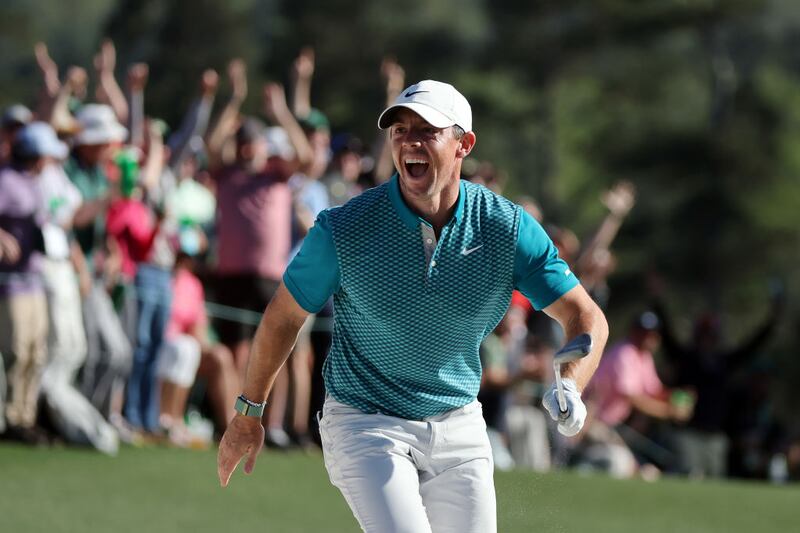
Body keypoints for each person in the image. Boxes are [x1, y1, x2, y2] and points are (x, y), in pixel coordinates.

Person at [217, 80, 608, 532]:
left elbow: (586, 316)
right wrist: (248, 412)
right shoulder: (344, 229)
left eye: (428, 130)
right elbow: (283, 316)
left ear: (464, 144)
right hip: (365, 422)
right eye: (400, 130)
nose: (410, 141)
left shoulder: (507, 229)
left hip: (459, 422)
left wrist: (572, 383)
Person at [0, 122, 62, 444]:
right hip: (11, 283)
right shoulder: (6, 181)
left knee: (36, 352)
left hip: (35, 278)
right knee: (17, 350)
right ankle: (11, 418)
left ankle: (26, 415)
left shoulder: (37, 182)